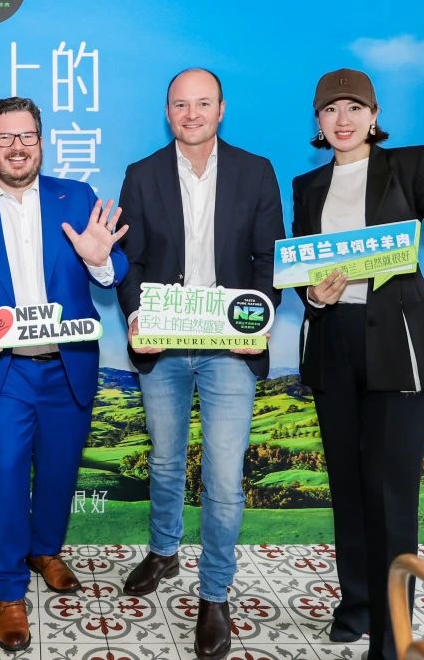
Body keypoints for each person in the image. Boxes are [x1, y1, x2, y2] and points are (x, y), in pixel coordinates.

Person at [292, 68, 424, 660]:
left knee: (390, 494)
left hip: (399, 348)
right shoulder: (307, 186)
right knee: (347, 485)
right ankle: (356, 605)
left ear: (374, 115)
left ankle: (391, 637)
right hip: (333, 344)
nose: (343, 119)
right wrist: (314, 296)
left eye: (355, 107)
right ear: (318, 120)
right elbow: (303, 268)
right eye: (331, 109)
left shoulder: (410, 165)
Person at [0, 97, 129, 653]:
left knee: (59, 467)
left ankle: (45, 550)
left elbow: (113, 270)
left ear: (42, 142)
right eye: (4, 138)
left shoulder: (78, 197)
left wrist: (98, 258)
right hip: (3, 369)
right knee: (5, 470)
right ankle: (7, 589)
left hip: (66, 364)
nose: (17, 146)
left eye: (26, 135)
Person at [116, 67, 284, 660]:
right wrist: (136, 318)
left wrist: (256, 323)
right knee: (165, 461)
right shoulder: (141, 174)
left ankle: (214, 594)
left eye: (203, 103)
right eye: (181, 105)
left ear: (221, 109)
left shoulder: (255, 171)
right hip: (163, 346)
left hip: (229, 349)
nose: (192, 114)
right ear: (168, 112)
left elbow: (268, 260)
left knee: (223, 477)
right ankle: (164, 551)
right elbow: (129, 263)